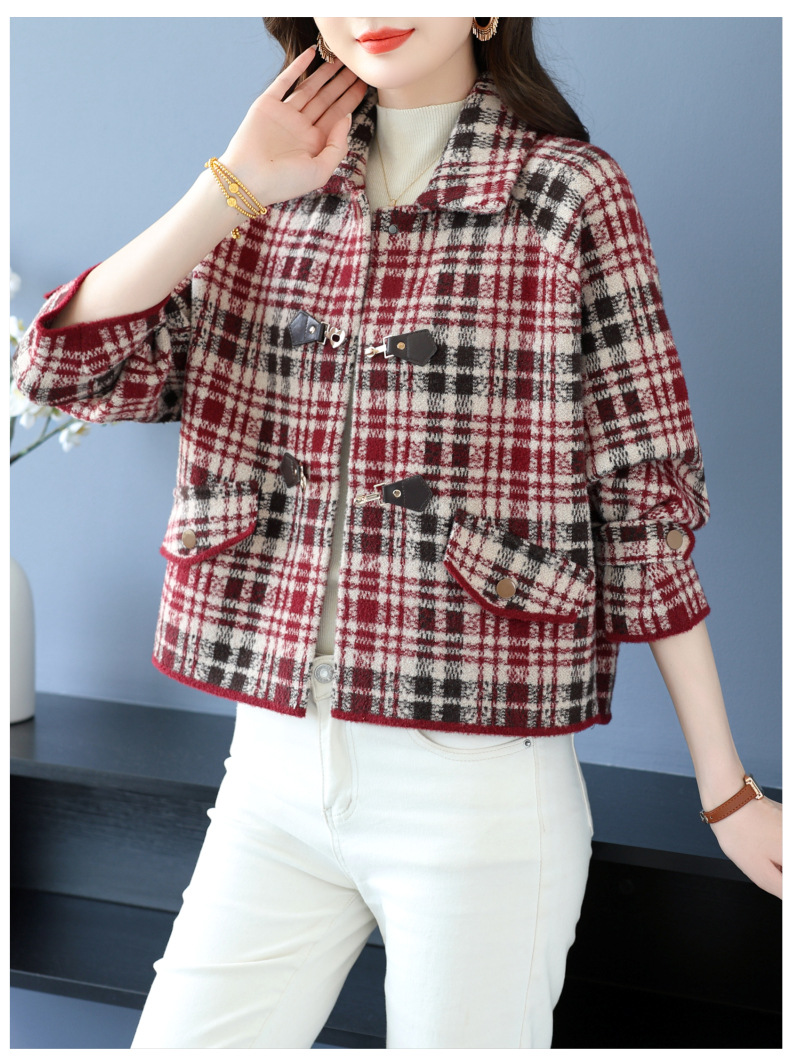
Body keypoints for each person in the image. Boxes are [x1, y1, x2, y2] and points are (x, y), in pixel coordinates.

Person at [12, 17, 781, 1050]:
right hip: (272, 772)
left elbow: (641, 498)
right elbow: (64, 372)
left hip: (477, 796)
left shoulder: (567, 195)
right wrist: (233, 184)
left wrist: (726, 790)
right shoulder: (269, 189)